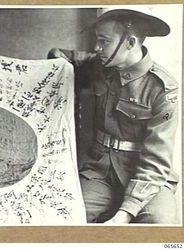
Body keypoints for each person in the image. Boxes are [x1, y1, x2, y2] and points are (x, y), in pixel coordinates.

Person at [48, 8, 179, 224]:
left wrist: (125, 213)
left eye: (104, 41)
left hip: (145, 175)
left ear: (130, 42)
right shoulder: (101, 65)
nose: (96, 47)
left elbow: (156, 161)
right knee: (65, 214)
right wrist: (58, 60)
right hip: (99, 170)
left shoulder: (163, 89)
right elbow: (68, 56)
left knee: (160, 223)